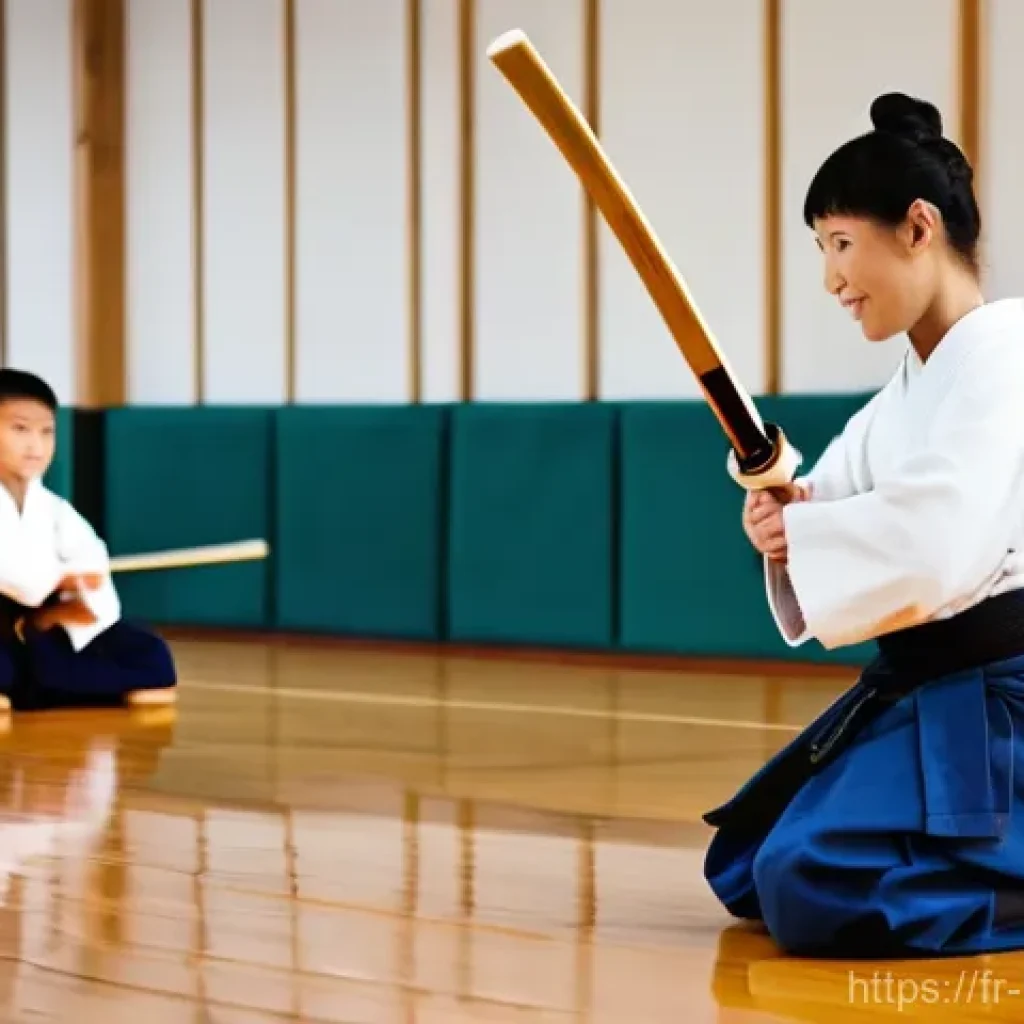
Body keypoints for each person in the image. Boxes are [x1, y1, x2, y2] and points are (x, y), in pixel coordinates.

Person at [702, 92, 1024, 958]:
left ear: (918, 227)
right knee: (745, 862)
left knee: (813, 884)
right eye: (822, 249)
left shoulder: (1007, 360)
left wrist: (809, 534)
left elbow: (934, 545)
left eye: (841, 244)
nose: (831, 278)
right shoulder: (908, 390)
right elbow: (830, 500)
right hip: (936, 685)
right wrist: (784, 518)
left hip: (1007, 702)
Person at [0, 369, 176, 711]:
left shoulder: (54, 509)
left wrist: (74, 609)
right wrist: (57, 582)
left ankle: (34, 687)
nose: (36, 445)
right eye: (20, 429)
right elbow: (21, 581)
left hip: (40, 626)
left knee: (148, 652)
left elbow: (94, 570)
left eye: (47, 432)